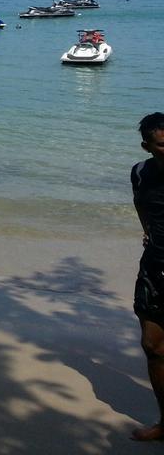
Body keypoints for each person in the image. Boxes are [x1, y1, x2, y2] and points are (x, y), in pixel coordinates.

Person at [131, 111, 164, 441]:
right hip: (155, 269)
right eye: (163, 144)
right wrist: (149, 234)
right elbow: (141, 206)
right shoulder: (140, 173)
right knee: (153, 346)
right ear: (147, 147)